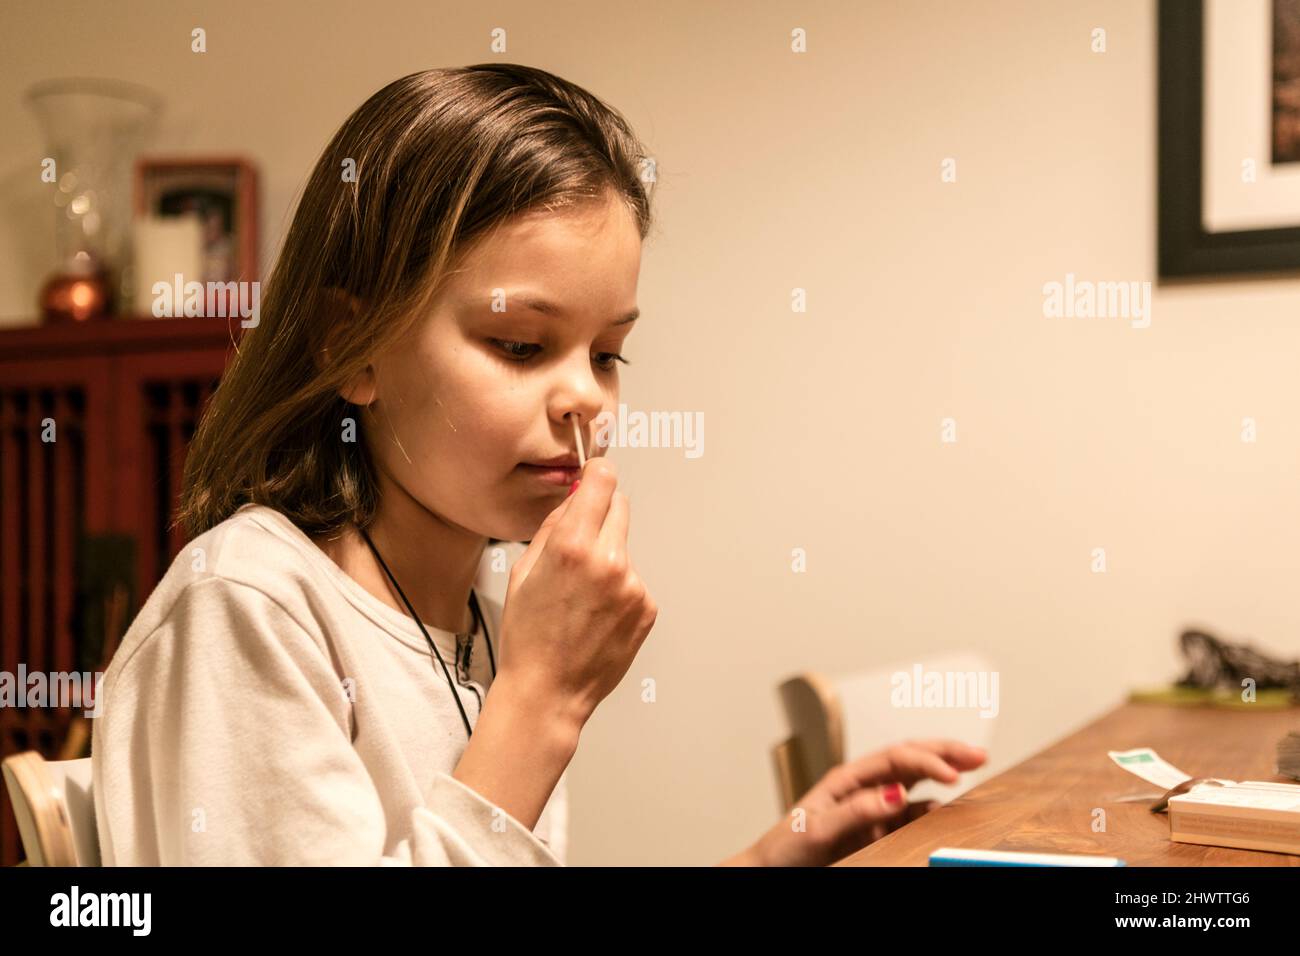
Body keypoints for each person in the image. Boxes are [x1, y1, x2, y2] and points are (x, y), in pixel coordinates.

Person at [92, 63, 986, 866]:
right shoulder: (248, 608)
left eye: (607, 354)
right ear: (352, 347)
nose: (586, 400)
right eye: (521, 345)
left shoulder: (484, 612)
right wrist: (542, 701)